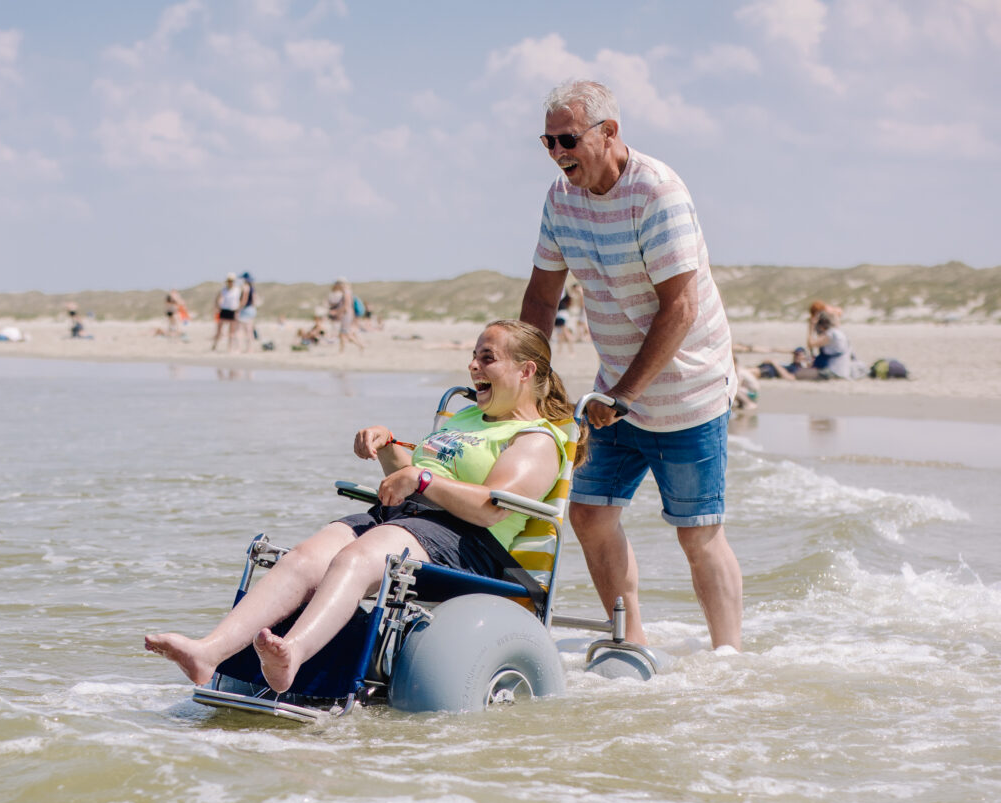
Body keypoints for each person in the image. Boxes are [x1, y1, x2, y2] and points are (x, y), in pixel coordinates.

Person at [146, 320, 579, 692]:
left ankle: (292, 653)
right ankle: (209, 651)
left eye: (487, 358)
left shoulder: (536, 439)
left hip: (469, 541)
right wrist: (389, 447)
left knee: (357, 558)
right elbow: (415, 475)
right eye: (473, 357)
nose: (473, 367)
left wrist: (421, 479)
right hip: (409, 519)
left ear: (526, 371)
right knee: (306, 557)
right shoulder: (467, 418)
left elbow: (491, 507)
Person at [519, 79, 741, 651]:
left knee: (697, 534)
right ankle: (632, 641)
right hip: (613, 394)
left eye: (566, 138)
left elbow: (681, 307)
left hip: (687, 392)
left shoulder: (656, 192)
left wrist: (626, 394)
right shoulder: (560, 200)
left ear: (609, 132)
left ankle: (730, 658)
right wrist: (529, 383)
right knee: (589, 515)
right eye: (547, 141)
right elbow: (543, 298)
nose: (557, 152)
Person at [805, 303, 864, 379]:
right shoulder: (837, 332)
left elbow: (810, 344)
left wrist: (811, 328)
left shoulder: (830, 333)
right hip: (843, 365)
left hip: (835, 369)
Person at [327, 278, 364, 352]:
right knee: (343, 334)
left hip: (346, 315)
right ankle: (342, 350)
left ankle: (360, 345)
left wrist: (336, 312)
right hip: (347, 315)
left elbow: (346, 306)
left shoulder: (346, 292)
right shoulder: (347, 292)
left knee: (345, 333)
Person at [211, 273, 242, 351]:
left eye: (232, 281)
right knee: (219, 330)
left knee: (231, 331)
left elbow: (241, 301)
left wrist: (238, 310)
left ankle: (230, 347)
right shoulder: (223, 290)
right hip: (224, 310)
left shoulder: (237, 290)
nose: (230, 282)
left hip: (233, 311)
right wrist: (217, 307)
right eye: (229, 281)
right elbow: (217, 299)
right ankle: (214, 345)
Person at [237, 272, 258, 352]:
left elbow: (244, 299)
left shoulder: (246, 287)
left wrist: (239, 308)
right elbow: (254, 300)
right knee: (249, 330)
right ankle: (250, 348)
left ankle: (240, 348)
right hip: (252, 309)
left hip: (245, 310)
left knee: (241, 330)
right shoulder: (252, 287)